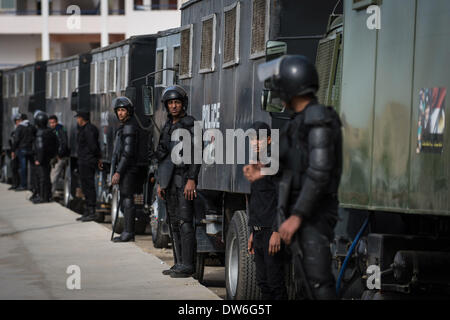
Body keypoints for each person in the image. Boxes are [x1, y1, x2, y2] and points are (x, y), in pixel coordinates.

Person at [255, 55, 343, 300]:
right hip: (301, 216)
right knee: (304, 285)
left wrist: (297, 216)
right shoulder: (298, 122)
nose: (278, 95)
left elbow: (319, 173)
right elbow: (289, 165)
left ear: (292, 87)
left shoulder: (318, 120)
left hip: (313, 217)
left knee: (318, 285)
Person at [155, 85, 200, 278]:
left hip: (184, 179)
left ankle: (188, 265)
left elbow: (197, 154)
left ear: (183, 104)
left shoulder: (191, 124)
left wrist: (192, 180)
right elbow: (162, 157)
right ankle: (178, 263)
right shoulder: (167, 126)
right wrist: (160, 182)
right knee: (173, 222)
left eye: (177, 102)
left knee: (184, 222)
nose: (174, 106)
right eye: (171, 103)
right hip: (169, 182)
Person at [244, 121, 288, 300]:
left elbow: (282, 200)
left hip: (272, 233)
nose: (255, 143)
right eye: (252, 139)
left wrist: (277, 231)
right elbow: (257, 202)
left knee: (275, 283)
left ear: (269, 140)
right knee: (263, 283)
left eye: (259, 139)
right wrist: (253, 232)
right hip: (259, 232)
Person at [110, 97, 147, 242]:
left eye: (123, 110)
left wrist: (118, 172)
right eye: (118, 110)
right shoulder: (125, 126)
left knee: (127, 200)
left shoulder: (130, 127)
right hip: (127, 168)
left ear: (129, 111)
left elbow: (127, 152)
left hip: (129, 169)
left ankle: (128, 232)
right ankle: (127, 231)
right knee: (125, 199)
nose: (120, 113)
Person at [75, 111, 103, 222]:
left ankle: (91, 211)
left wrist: (97, 157)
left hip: (88, 161)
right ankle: (87, 210)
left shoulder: (89, 129)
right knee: (85, 187)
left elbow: (93, 146)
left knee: (89, 186)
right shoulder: (83, 129)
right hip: (83, 161)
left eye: (78, 117)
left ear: (82, 118)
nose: (77, 120)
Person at [32, 111, 58, 204]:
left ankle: (43, 197)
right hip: (49, 158)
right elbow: (56, 144)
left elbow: (40, 147)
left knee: (42, 178)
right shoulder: (50, 131)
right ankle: (47, 196)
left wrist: (39, 159)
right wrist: (53, 155)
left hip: (42, 159)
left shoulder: (40, 133)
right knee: (47, 178)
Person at [12, 113, 35, 191]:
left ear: (21, 119)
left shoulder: (20, 127)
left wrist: (13, 150)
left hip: (22, 149)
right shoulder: (32, 127)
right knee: (32, 168)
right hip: (31, 149)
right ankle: (32, 185)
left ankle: (23, 185)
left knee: (23, 168)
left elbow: (16, 140)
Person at [48, 115, 69, 196]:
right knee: (52, 175)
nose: (52, 124)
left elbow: (64, 143)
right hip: (55, 156)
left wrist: (59, 155)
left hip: (60, 157)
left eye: (53, 122)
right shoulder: (52, 130)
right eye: (50, 123)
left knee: (54, 176)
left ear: (56, 122)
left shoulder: (60, 129)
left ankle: (50, 193)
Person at [8, 114, 22, 190]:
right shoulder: (16, 130)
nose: (17, 122)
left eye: (19, 121)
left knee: (18, 168)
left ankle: (18, 184)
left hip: (19, 151)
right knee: (13, 167)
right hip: (15, 150)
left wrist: (13, 151)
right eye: (16, 121)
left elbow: (17, 141)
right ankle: (15, 183)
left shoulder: (20, 129)